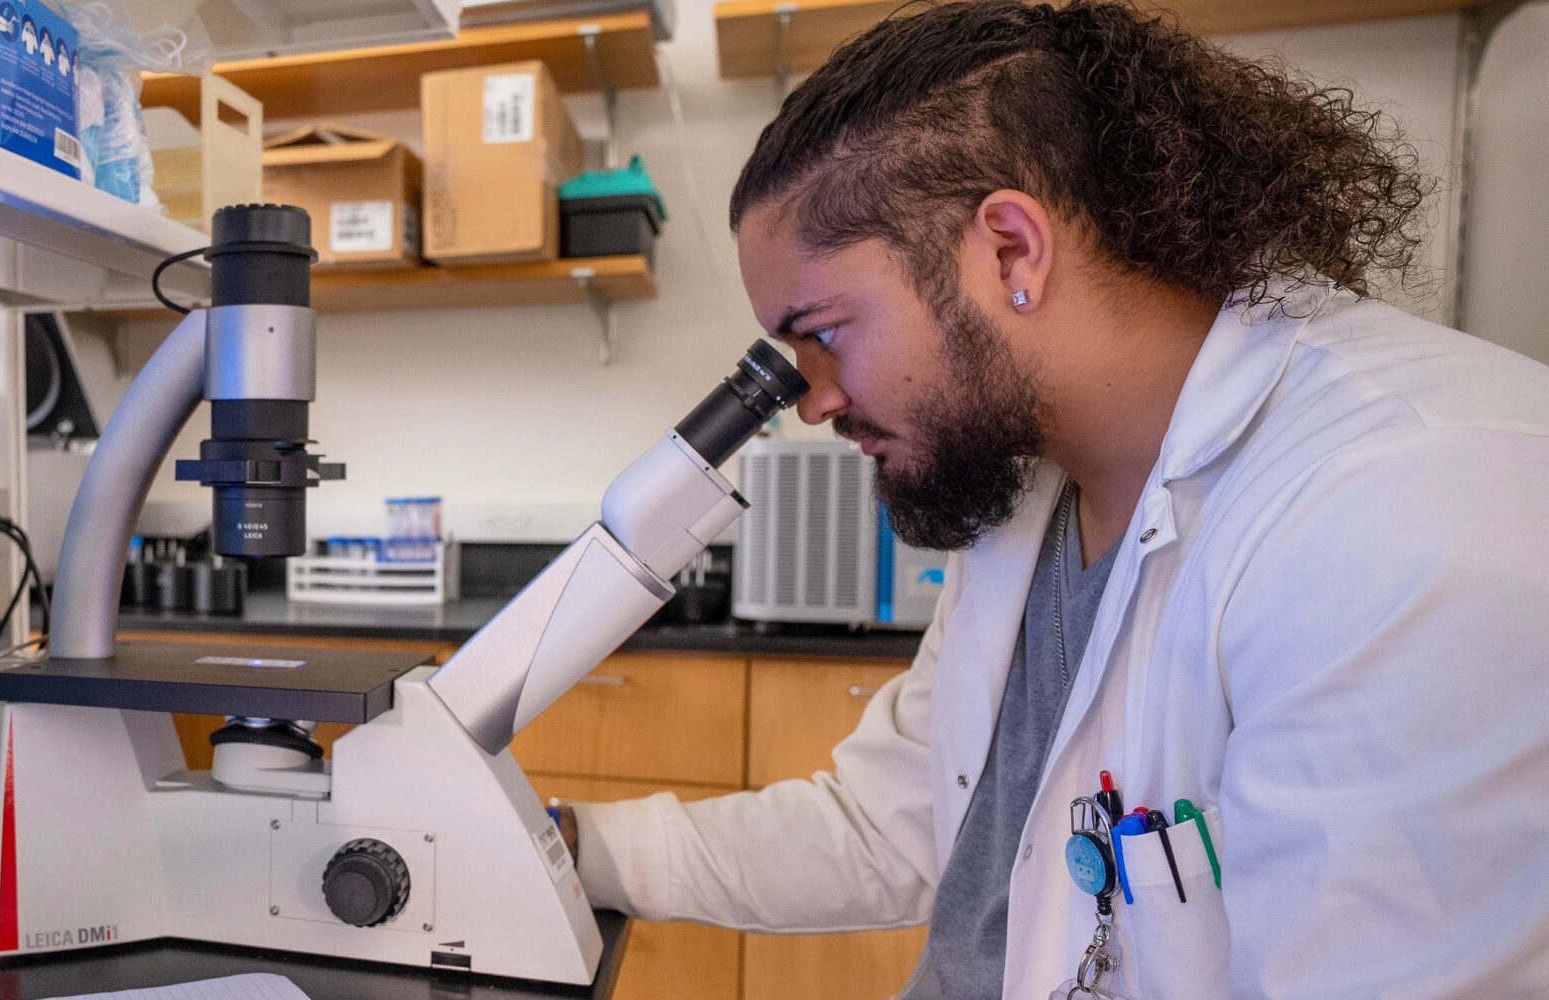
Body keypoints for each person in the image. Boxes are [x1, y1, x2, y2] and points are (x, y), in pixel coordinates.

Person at [556, 2, 1549, 996]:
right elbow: (893, 822)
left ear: (1010, 251)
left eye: (822, 332)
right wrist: (566, 845)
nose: (811, 398)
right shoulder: (1033, 492)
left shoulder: (1403, 515)